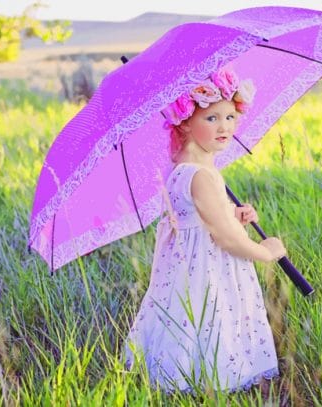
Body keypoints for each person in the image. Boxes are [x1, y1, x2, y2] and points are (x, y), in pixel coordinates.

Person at [123, 65, 287, 394]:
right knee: (213, 316)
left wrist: (230, 212)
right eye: (211, 118)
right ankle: (212, 378)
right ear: (184, 123)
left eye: (229, 117)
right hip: (210, 267)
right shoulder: (201, 175)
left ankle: (181, 371)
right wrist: (266, 252)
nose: (224, 127)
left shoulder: (183, 167)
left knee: (188, 316)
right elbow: (225, 238)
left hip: (186, 266)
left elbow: (199, 218)